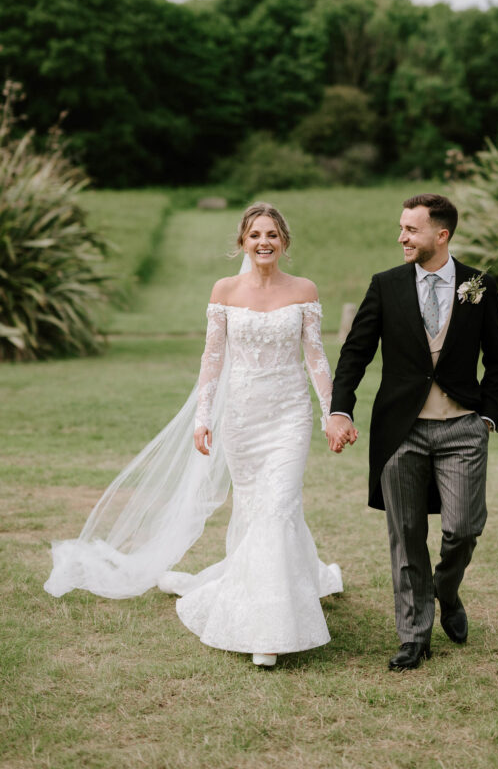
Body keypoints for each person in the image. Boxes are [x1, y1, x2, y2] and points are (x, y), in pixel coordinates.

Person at [45, 202, 341, 668]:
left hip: (289, 416)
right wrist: (204, 416)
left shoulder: (304, 290)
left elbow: (316, 359)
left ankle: (268, 629)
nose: (264, 242)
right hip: (241, 418)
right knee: (254, 509)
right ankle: (278, 586)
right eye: (254, 235)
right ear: (242, 242)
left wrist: (331, 413)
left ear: (284, 241)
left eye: (272, 234)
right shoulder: (224, 291)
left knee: (280, 503)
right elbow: (212, 360)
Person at [325, 194, 498, 671]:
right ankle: (413, 637)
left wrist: (487, 416)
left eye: (411, 229)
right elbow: (355, 353)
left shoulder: (478, 286)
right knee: (406, 537)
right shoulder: (385, 286)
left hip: (462, 429)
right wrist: (340, 409)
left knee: (463, 530)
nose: (401, 237)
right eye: (401, 228)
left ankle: (446, 592)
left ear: (440, 235)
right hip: (400, 433)